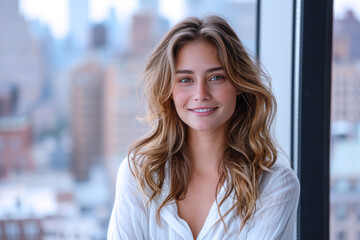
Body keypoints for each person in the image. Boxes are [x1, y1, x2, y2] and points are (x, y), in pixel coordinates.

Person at [107, 15, 300, 240]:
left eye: (216, 77)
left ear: (238, 83)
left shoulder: (276, 186)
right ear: (168, 90)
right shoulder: (139, 174)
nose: (201, 94)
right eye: (186, 80)